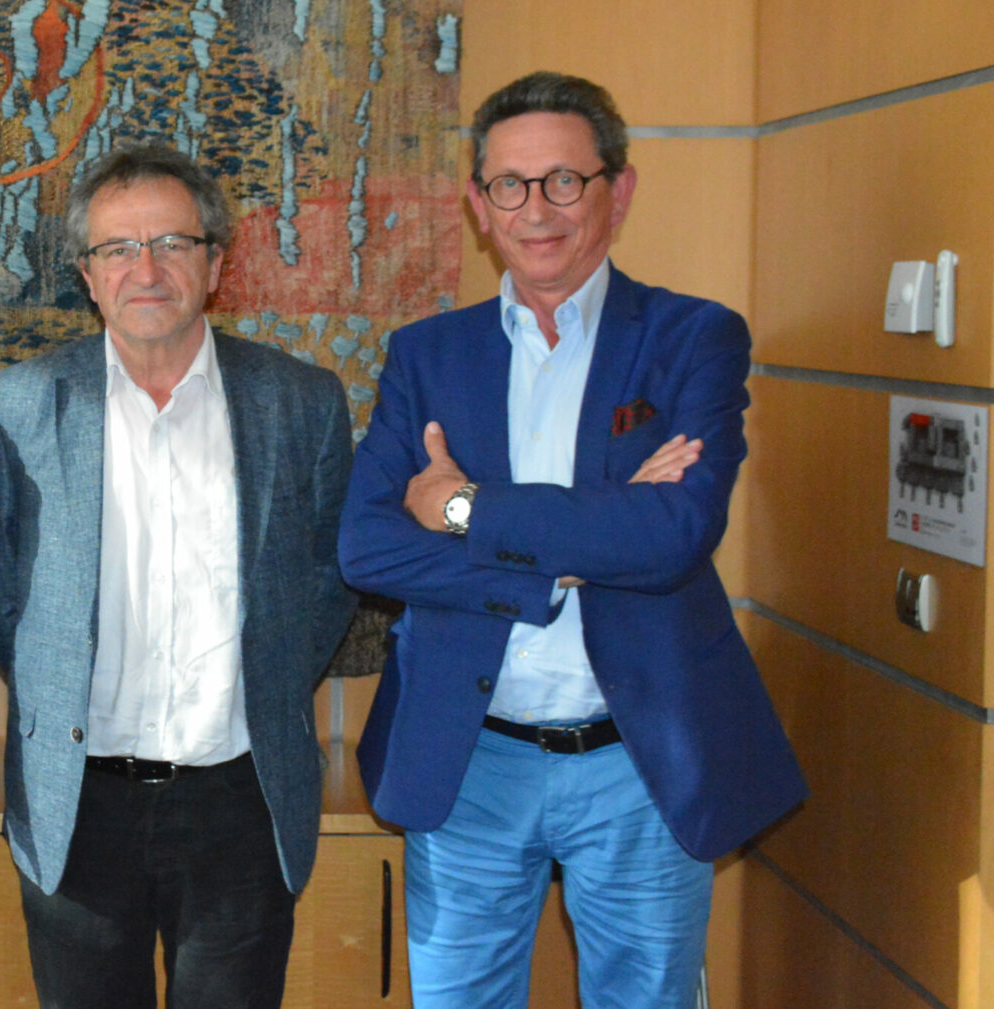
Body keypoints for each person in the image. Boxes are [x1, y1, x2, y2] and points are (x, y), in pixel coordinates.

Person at [339, 71, 807, 1008]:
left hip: (639, 758)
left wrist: (467, 510)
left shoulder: (692, 338)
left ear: (617, 191)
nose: (536, 209)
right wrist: (565, 562)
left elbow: (674, 535)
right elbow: (367, 547)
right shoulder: (428, 354)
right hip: (466, 755)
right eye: (509, 184)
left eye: (564, 180)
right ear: (479, 205)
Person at [0, 142, 357, 1009]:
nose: (146, 270)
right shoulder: (23, 402)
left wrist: (267, 681)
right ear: (87, 274)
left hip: (239, 799)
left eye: (173, 243)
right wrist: (55, 683)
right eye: (118, 248)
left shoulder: (300, 401)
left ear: (215, 264)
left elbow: (328, 582)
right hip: (78, 800)